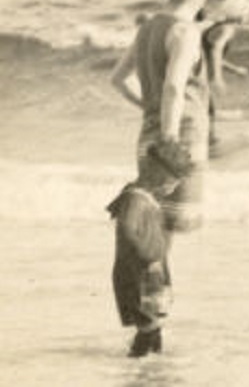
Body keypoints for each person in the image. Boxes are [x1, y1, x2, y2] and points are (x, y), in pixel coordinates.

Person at [110, 0, 213, 234]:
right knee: (170, 231)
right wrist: (170, 138)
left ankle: (152, 281)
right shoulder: (185, 31)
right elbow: (173, 88)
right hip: (179, 139)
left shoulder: (148, 27)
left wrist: (147, 106)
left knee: (152, 230)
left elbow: (117, 79)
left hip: (147, 139)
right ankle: (158, 282)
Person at [106, 139, 194, 357]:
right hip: (138, 273)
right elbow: (127, 228)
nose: (173, 188)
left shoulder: (143, 196)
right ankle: (141, 367)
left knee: (153, 324)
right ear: (159, 176)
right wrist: (147, 256)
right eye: (174, 182)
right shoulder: (135, 199)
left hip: (149, 271)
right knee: (149, 326)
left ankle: (148, 368)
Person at [202, 0, 249, 147]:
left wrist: (235, 69)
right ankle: (209, 147)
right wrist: (218, 78)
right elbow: (216, 49)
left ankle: (207, 144)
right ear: (243, 12)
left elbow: (211, 55)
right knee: (207, 114)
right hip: (200, 77)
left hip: (195, 74)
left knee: (205, 112)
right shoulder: (228, 29)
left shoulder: (218, 26)